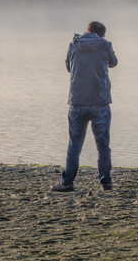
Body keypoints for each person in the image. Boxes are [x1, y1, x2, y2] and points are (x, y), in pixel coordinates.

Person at [52, 21, 118, 192]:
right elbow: (114, 63)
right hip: (100, 102)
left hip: (77, 102)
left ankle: (67, 182)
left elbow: (69, 67)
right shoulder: (105, 45)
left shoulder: (74, 45)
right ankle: (106, 182)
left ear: (87, 31)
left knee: (75, 144)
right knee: (103, 145)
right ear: (101, 34)